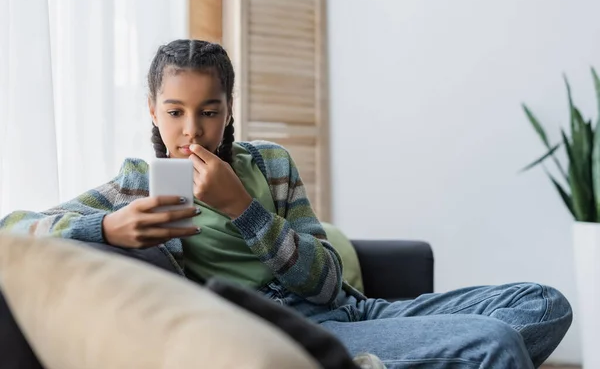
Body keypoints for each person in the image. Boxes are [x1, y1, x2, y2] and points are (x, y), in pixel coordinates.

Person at [0, 39, 572, 368]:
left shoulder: (269, 163)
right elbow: (16, 226)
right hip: (292, 326)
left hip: (355, 311)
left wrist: (245, 210)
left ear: (229, 108)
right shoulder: (138, 183)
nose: (192, 129)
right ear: (152, 109)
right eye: (175, 111)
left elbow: (327, 283)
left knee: (543, 303)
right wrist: (109, 228)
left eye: (209, 110)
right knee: (494, 345)